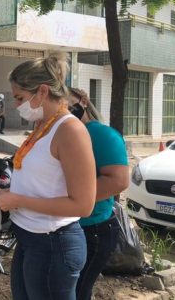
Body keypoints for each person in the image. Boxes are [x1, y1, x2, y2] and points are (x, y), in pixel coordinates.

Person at [0, 53, 96, 300]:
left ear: (42, 91)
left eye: (20, 98)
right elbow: (41, 183)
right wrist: (7, 194)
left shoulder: (70, 130)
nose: (16, 105)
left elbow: (83, 204)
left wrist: (18, 200)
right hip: (29, 238)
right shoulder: (41, 126)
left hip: (54, 245)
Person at [68, 88, 129, 300]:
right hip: (66, 227)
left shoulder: (101, 135)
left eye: (69, 103)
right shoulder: (60, 133)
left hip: (91, 228)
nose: (65, 109)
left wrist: (71, 199)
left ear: (83, 101)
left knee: (77, 291)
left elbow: (118, 181)